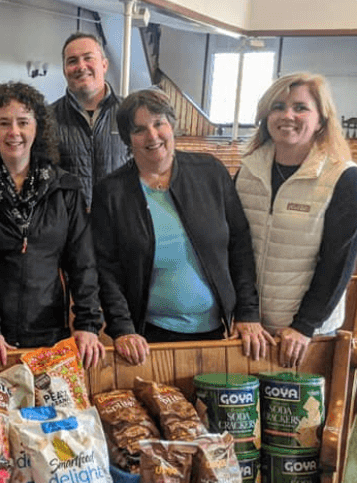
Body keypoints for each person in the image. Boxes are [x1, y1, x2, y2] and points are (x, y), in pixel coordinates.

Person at [92, 89, 270, 365]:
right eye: (139, 129)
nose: (152, 136)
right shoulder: (111, 191)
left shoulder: (210, 172)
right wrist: (122, 328)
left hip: (217, 330)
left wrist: (248, 312)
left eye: (158, 123)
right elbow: (106, 268)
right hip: (148, 337)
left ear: (172, 124)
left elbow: (240, 245)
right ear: (128, 138)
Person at [0, 82, 105, 370]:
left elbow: (82, 263)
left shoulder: (66, 188)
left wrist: (87, 323)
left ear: (38, 127)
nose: (14, 132)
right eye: (4, 123)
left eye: (23, 122)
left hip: (48, 333)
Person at [234, 73, 357, 369]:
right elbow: (235, 247)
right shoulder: (248, 171)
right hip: (249, 327)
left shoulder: (344, 177)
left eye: (300, 108)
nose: (287, 115)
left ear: (321, 120)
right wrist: (245, 313)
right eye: (278, 106)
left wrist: (304, 325)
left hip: (305, 333)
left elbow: (338, 263)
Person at [52, 32, 129, 207]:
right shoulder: (47, 118)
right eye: (72, 61)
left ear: (104, 65)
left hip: (118, 224)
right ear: (65, 70)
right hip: (71, 228)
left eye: (88, 58)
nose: (81, 66)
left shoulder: (129, 113)